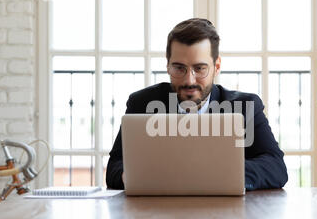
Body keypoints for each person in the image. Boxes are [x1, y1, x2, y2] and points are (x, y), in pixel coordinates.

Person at [106, 18, 288, 191]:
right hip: (159, 214)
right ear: (168, 66)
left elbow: (276, 166)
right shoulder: (141, 104)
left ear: (216, 67)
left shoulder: (245, 106)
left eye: (199, 68)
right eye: (179, 68)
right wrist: (134, 177)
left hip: (226, 216)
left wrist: (212, 173)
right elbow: (115, 166)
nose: (189, 80)